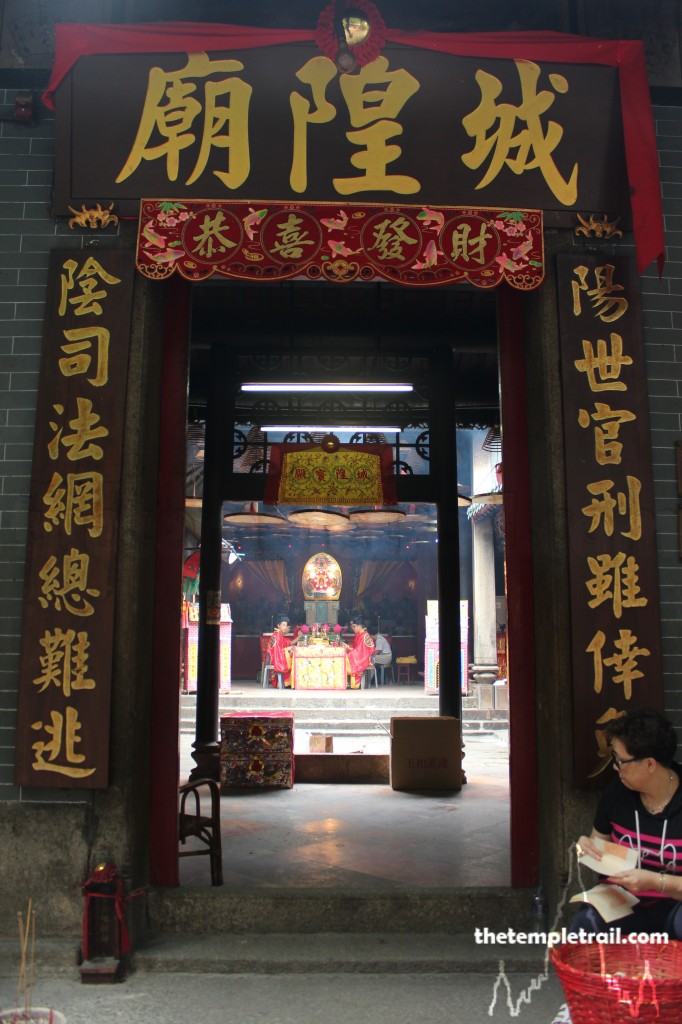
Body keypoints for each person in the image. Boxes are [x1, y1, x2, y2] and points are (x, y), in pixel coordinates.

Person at [572, 708, 682, 938]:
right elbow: (598, 844)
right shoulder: (617, 793)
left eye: (620, 761)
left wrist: (656, 882)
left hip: (675, 905)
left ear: (650, 764)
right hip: (622, 902)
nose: (615, 767)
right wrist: (587, 846)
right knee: (585, 925)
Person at [267, 616, 301, 689]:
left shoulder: (280, 635)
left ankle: (289, 682)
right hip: (274, 659)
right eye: (283, 625)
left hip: (278, 657)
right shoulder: (276, 636)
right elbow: (277, 653)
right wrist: (287, 649)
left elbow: (290, 643)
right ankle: (286, 682)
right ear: (278, 625)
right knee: (292, 661)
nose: (285, 627)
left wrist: (299, 636)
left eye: (286, 625)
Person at [342, 616, 375, 689]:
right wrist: (348, 647)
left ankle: (347, 682)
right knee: (345, 655)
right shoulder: (359, 635)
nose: (353, 628)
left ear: (360, 626)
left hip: (366, 659)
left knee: (346, 658)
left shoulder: (364, 636)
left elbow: (360, 652)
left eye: (354, 626)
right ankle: (346, 681)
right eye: (352, 627)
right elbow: (355, 646)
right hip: (360, 656)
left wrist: (349, 648)